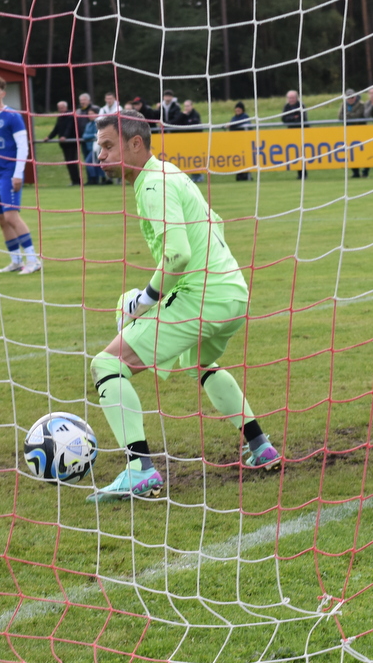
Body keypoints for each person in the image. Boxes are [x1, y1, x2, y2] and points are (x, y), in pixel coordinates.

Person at [86, 110, 280, 502]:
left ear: (135, 144)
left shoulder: (152, 183)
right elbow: (214, 225)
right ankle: (261, 446)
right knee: (200, 364)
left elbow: (178, 256)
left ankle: (139, 469)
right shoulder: (169, 173)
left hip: (201, 296)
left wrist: (144, 300)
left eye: (107, 146)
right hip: (233, 294)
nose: (99, 155)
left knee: (107, 364)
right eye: (97, 147)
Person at [0, 76, 41, 275]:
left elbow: (23, 146)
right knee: (1, 218)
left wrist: (18, 173)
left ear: (3, 94)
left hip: (9, 175)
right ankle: (16, 261)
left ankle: (33, 260)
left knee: (11, 216)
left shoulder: (13, 116)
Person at [45, 100, 81, 186]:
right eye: (59, 108)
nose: (61, 110)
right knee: (68, 162)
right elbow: (56, 129)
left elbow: (69, 127)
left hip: (71, 143)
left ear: (66, 107)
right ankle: (74, 180)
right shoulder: (60, 117)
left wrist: (65, 136)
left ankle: (77, 181)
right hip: (64, 144)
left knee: (72, 162)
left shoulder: (70, 116)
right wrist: (49, 137)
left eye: (62, 108)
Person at [338, 89, 368, 178]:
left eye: (352, 97)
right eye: (348, 97)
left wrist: (347, 115)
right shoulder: (343, 105)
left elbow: (358, 115)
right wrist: (350, 115)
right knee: (351, 152)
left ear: (355, 97)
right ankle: (355, 172)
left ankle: (365, 171)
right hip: (349, 131)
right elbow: (340, 116)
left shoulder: (361, 105)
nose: (350, 99)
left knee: (365, 151)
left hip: (360, 131)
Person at [282, 90, 309, 179]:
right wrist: (294, 117)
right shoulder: (286, 107)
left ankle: (304, 174)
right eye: (289, 98)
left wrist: (291, 118)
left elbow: (302, 117)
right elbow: (284, 118)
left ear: (296, 98)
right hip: (292, 133)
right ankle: (299, 173)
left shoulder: (301, 105)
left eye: (293, 97)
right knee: (295, 153)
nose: (291, 99)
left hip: (302, 132)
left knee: (303, 152)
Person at [177, 100, 204, 183]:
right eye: (185, 106)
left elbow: (195, 126)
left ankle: (199, 176)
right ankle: (191, 176)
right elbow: (176, 123)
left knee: (196, 158)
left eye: (188, 106)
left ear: (192, 106)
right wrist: (182, 115)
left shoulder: (195, 115)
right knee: (188, 159)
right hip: (186, 140)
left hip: (195, 140)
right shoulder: (183, 115)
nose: (186, 108)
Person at [227, 102, 253, 181]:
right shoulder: (234, 118)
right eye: (236, 109)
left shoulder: (245, 117)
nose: (237, 110)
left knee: (245, 159)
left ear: (242, 110)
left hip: (244, 142)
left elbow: (246, 124)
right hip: (236, 142)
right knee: (238, 159)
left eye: (239, 109)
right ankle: (239, 175)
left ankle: (246, 175)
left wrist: (232, 124)